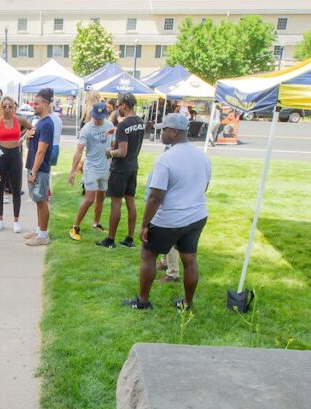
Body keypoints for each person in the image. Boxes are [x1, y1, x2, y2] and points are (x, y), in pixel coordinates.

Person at [123, 113, 211, 311]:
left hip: (170, 219)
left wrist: (145, 224)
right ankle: (187, 304)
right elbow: (204, 187)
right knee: (189, 259)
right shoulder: (203, 157)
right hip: (196, 216)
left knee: (148, 255)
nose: (160, 133)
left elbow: (155, 197)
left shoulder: (165, 159)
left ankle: (143, 301)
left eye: (164, 130)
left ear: (174, 132)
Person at [98, 93, 144, 249]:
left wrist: (109, 152)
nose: (117, 109)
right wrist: (116, 130)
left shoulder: (124, 125)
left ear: (124, 105)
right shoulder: (140, 121)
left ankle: (110, 240)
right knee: (131, 202)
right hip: (133, 166)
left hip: (120, 168)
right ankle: (130, 239)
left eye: (118, 106)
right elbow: (129, 132)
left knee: (116, 204)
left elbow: (122, 151)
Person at [0, 96, 34, 233]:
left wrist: (23, 137)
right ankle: (0, 220)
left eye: (10, 106)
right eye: (5, 106)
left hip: (15, 155)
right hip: (1, 155)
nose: (7, 108)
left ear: (13, 107)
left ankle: (16, 220)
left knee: (16, 188)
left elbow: (32, 128)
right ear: (0, 108)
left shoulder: (19, 119)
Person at [68, 103, 114, 241]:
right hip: (91, 168)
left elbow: (112, 146)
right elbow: (79, 150)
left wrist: (111, 165)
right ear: (92, 114)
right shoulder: (86, 129)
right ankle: (75, 227)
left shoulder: (109, 125)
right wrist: (73, 171)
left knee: (101, 198)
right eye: (96, 117)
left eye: (101, 117)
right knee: (89, 199)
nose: (98, 120)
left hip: (105, 167)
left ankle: (96, 223)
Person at [24, 87, 56, 247]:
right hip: (34, 167)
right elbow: (33, 145)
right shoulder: (40, 122)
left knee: (41, 200)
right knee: (37, 200)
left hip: (40, 169)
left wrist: (34, 172)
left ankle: (43, 235)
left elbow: (41, 151)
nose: (33, 106)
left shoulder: (47, 124)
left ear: (44, 104)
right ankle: (38, 229)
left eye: (36, 104)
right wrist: (28, 137)